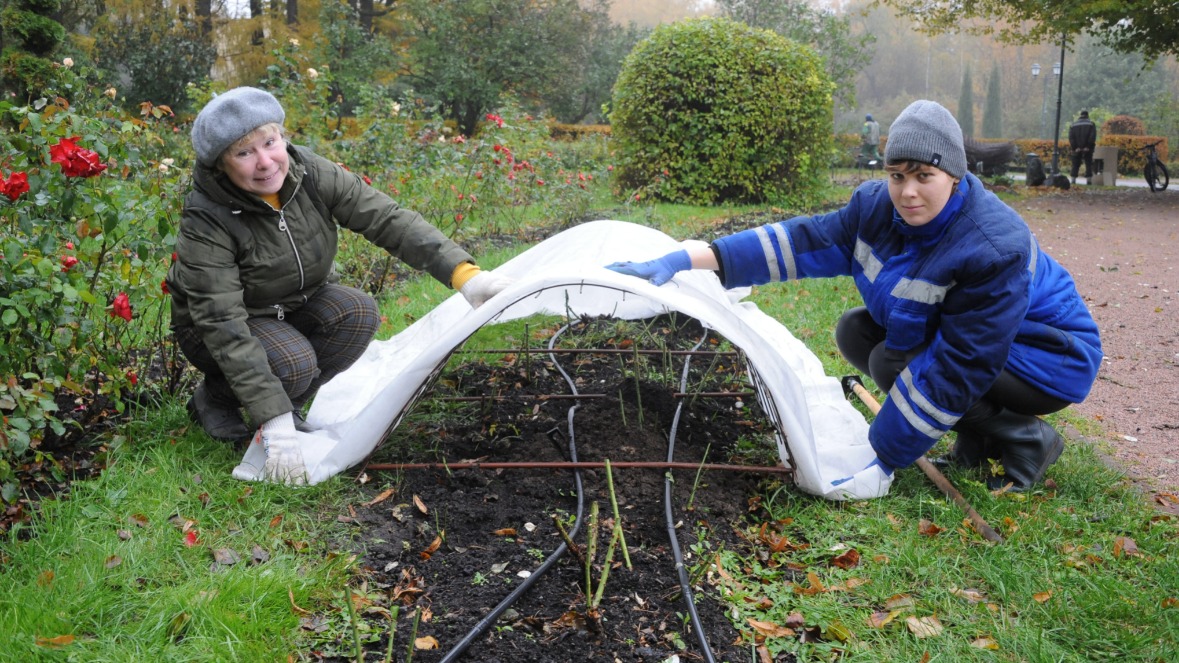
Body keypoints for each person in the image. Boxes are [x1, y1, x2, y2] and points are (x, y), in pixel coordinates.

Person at [606, 100, 1102, 492]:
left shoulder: (994, 246)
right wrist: (694, 257)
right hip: (996, 349)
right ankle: (977, 439)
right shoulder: (875, 207)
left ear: (954, 174)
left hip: (1050, 355)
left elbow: (964, 362)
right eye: (897, 175)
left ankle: (1027, 438)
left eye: (924, 176)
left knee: (894, 359)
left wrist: (883, 456)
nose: (907, 192)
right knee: (856, 332)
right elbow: (804, 241)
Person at [167, 87, 510, 484]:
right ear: (220, 164)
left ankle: (275, 401)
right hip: (215, 326)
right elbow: (222, 321)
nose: (265, 162)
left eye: (270, 142)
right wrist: (275, 424)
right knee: (294, 365)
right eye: (244, 153)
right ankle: (219, 400)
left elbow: (386, 218)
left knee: (358, 313)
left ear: (282, 137)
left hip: (288, 304)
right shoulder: (207, 217)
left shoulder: (308, 173)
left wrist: (465, 276)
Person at [1068, 110, 1097, 184]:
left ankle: (1073, 180)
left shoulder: (1073, 125)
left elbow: (1071, 137)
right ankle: (1089, 181)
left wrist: (1075, 147)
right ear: (1087, 115)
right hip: (1088, 149)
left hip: (1076, 149)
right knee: (1088, 163)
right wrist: (1088, 146)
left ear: (1080, 115)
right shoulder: (1091, 124)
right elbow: (1092, 136)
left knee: (1075, 164)